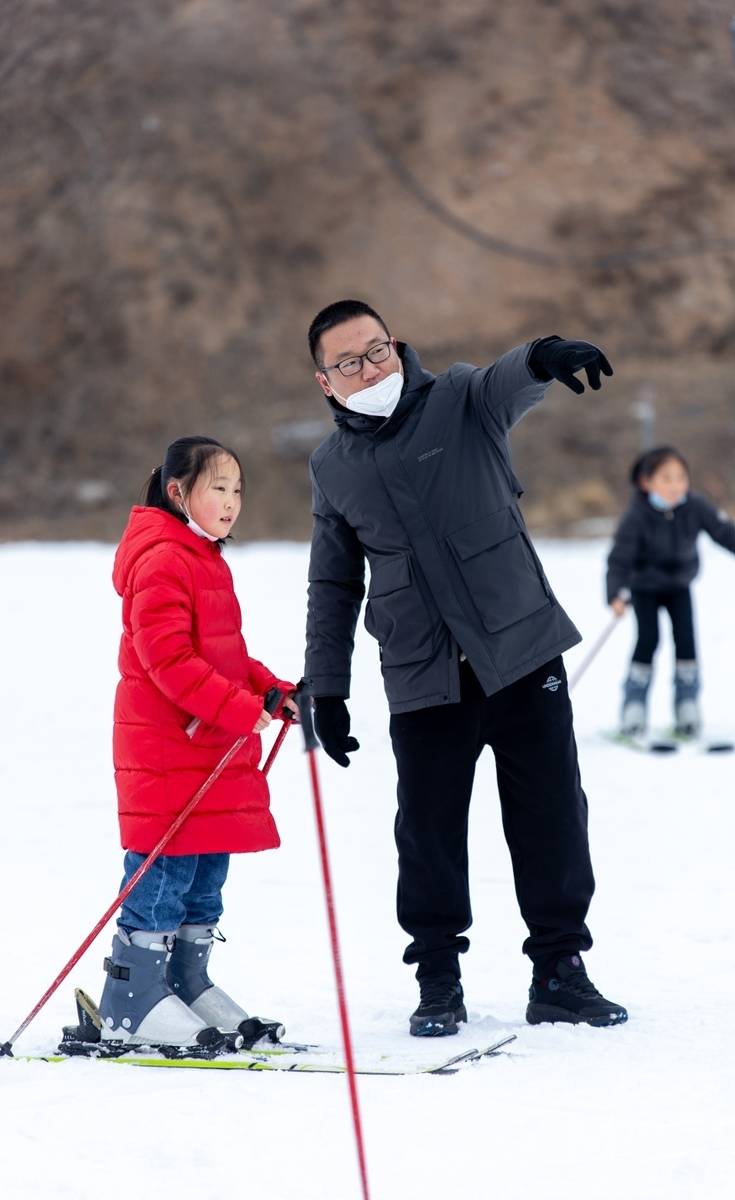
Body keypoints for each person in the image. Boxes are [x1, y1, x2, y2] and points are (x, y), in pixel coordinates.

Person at [303, 298, 628, 1037]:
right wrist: (329, 686)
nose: (370, 367)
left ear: (398, 344)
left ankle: (559, 972)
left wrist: (546, 353)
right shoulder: (333, 467)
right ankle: (438, 980)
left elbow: (508, 379)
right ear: (326, 383)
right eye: (349, 362)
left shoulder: (458, 399)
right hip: (423, 673)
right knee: (428, 831)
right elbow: (332, 584)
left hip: (519, 650)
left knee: (550, 816)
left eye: (377, 349)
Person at [99, 436, 297, 1050]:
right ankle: (131, 1000)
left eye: (238, 489)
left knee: (205, 871)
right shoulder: (163, 558)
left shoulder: (203, 556)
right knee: (165, 870)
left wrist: (268, 691)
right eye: (219, 487)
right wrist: (237, 708)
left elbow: (223, 655)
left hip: (208, 746)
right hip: (169, 751)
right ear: (179, 491)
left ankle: (184, 982)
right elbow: (169, 661)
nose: (233, 501)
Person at [607, 445, 735, 738]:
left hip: (679, 585)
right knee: (648, 640)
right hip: (645, 588)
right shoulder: (636, 516)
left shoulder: (694, 506)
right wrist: (615, 593)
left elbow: (721, 529)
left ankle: (687, 705)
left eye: (680, 478)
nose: (675, 485)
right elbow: (619, 559)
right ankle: (634, 708)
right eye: (666, 478)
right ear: (646, 482)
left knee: (687, 641)